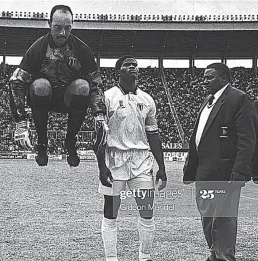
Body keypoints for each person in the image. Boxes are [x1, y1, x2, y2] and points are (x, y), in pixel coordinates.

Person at [9, 4, 106, 167]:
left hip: (70, 99)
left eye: (68, 28)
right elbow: (17, 81)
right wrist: (20, 122)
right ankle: (42, 142)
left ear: (72, 25)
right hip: (43, 98)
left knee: (83, 86)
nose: (62, 33)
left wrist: (100, 115)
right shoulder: (38, 48)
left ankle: (70, 142)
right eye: (58, 27)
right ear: (49, 24)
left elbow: (95, 82)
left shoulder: (82, 49)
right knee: (40, 85)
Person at [95, 55, 167, 261]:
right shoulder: (106, 97)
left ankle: (145, 257)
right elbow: (99, 136)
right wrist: (102, 167)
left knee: (147, 212)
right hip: (114, 160)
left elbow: (153, 134)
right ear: (118, 70)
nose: (133, 68)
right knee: (111, 212)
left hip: (141, 161)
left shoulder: (147, 99)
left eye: (135, 65)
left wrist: (161, 166)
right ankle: (111, 258)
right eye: (128, 65)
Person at [183, 63, 257, 261]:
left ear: (224, 78)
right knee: (207, 218)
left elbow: (247, 139)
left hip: (226, 172)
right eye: (204, 77)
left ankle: (224, 256)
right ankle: (215, 254)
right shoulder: (209, 100)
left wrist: (240, 171)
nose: (204, 81)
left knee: (223, 219)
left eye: (209, 77)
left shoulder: (238, 99)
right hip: (205, 172)